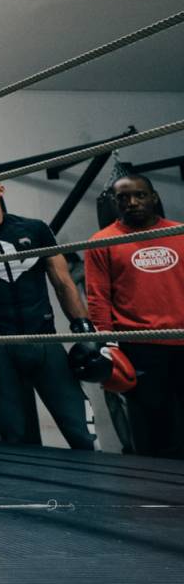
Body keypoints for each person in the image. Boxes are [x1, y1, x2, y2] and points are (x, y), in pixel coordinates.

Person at [0, 161, 98, 449]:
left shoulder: (35, 230)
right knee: (15, 439)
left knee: (82, 433)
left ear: (1, 187)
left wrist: (84, 329)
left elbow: (64, 283)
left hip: (44, 341)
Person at [85, 174, 184, 457]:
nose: (132, 202)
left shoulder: (180, 233)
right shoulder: (101, 241)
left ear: (153, 197)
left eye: (140, 195)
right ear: (114, 203)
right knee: (152, 427)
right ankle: (154, 483)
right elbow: (98, 297)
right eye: (124, 197)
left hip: (182, 338)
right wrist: (108, 345)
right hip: (139, 346)